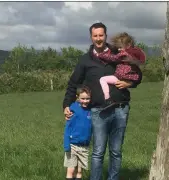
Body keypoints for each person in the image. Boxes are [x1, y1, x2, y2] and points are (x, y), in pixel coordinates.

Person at [62, 22, 142, 180]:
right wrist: (66, 105)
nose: (98, 38)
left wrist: (130, 83)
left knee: (116, 151)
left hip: (120, 108)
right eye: (95, 36)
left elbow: (137, 72)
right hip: (98, 111)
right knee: (98, 152)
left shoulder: (118, 53)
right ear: (91, 37)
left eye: (101, 35)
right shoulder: (85, 60)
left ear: (105, 36)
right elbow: (73, 84)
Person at [97, 32, 146, 109]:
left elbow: (113, 58)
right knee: (103, 79)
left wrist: (101, 55)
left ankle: (107, 98)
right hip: (121, 78)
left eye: (120, 47)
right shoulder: (135, 54)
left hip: (120, 78)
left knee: (102, 79)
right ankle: (108, 98)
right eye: (118, 48)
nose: (119, 49)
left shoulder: (124, 54)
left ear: (128, 45)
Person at [63, 85, 92, 180]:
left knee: (79, 171)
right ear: (77, 97)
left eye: (88, 98)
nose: (85, 101)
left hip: (84, 146)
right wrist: (66, 144)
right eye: (83, 98)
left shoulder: (90, 110)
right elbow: (68, 127)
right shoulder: (72, 109)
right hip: (72, 145)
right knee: (70, 170)